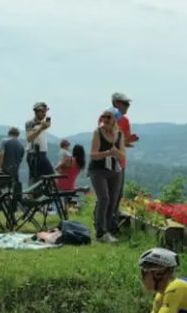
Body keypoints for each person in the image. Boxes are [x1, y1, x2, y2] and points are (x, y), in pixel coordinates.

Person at [88, 108, 125, 243]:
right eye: (104, 117)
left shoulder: (119, 134)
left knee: (112, 201)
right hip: (98, 169)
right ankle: (100, 232)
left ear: (114, 119)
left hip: (115, 170)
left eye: (109, 117)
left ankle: (107, 231)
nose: (106, 119)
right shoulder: (98, 132)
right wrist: (108, 152)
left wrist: (116, 152)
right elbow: (93, 154)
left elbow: (122, 154)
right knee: (104, 198)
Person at [106, 93, 138, 231]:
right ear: (115, 103)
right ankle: (106, 225)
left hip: (121, 160)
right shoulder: (107, 119)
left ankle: (112, 222)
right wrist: (125, 141)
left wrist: (128, 141)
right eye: (125, 104)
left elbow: (122, 143)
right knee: (110, 194)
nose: (127, 107)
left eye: (128, 104)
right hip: (109, 160)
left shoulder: (125, 121)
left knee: (118, 194)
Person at [25, 103, 55, 182]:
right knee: (36, 179)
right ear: (36, 111)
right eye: (42, 111)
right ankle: (32, 194)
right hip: (34, 154)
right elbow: (29, 138)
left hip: (43, 153)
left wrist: (43, 127)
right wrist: (41, 128)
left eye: (45, 111)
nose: (44, 114)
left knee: (50, 176)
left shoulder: (43, 123)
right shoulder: (30, 123)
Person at [56, 144, 86, 213]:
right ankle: (72, 208)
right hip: (71, 186)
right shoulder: (81, 163)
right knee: (69, 206)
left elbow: (57, 168)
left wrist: (62, 163)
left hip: (61, 185)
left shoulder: (70, 159)